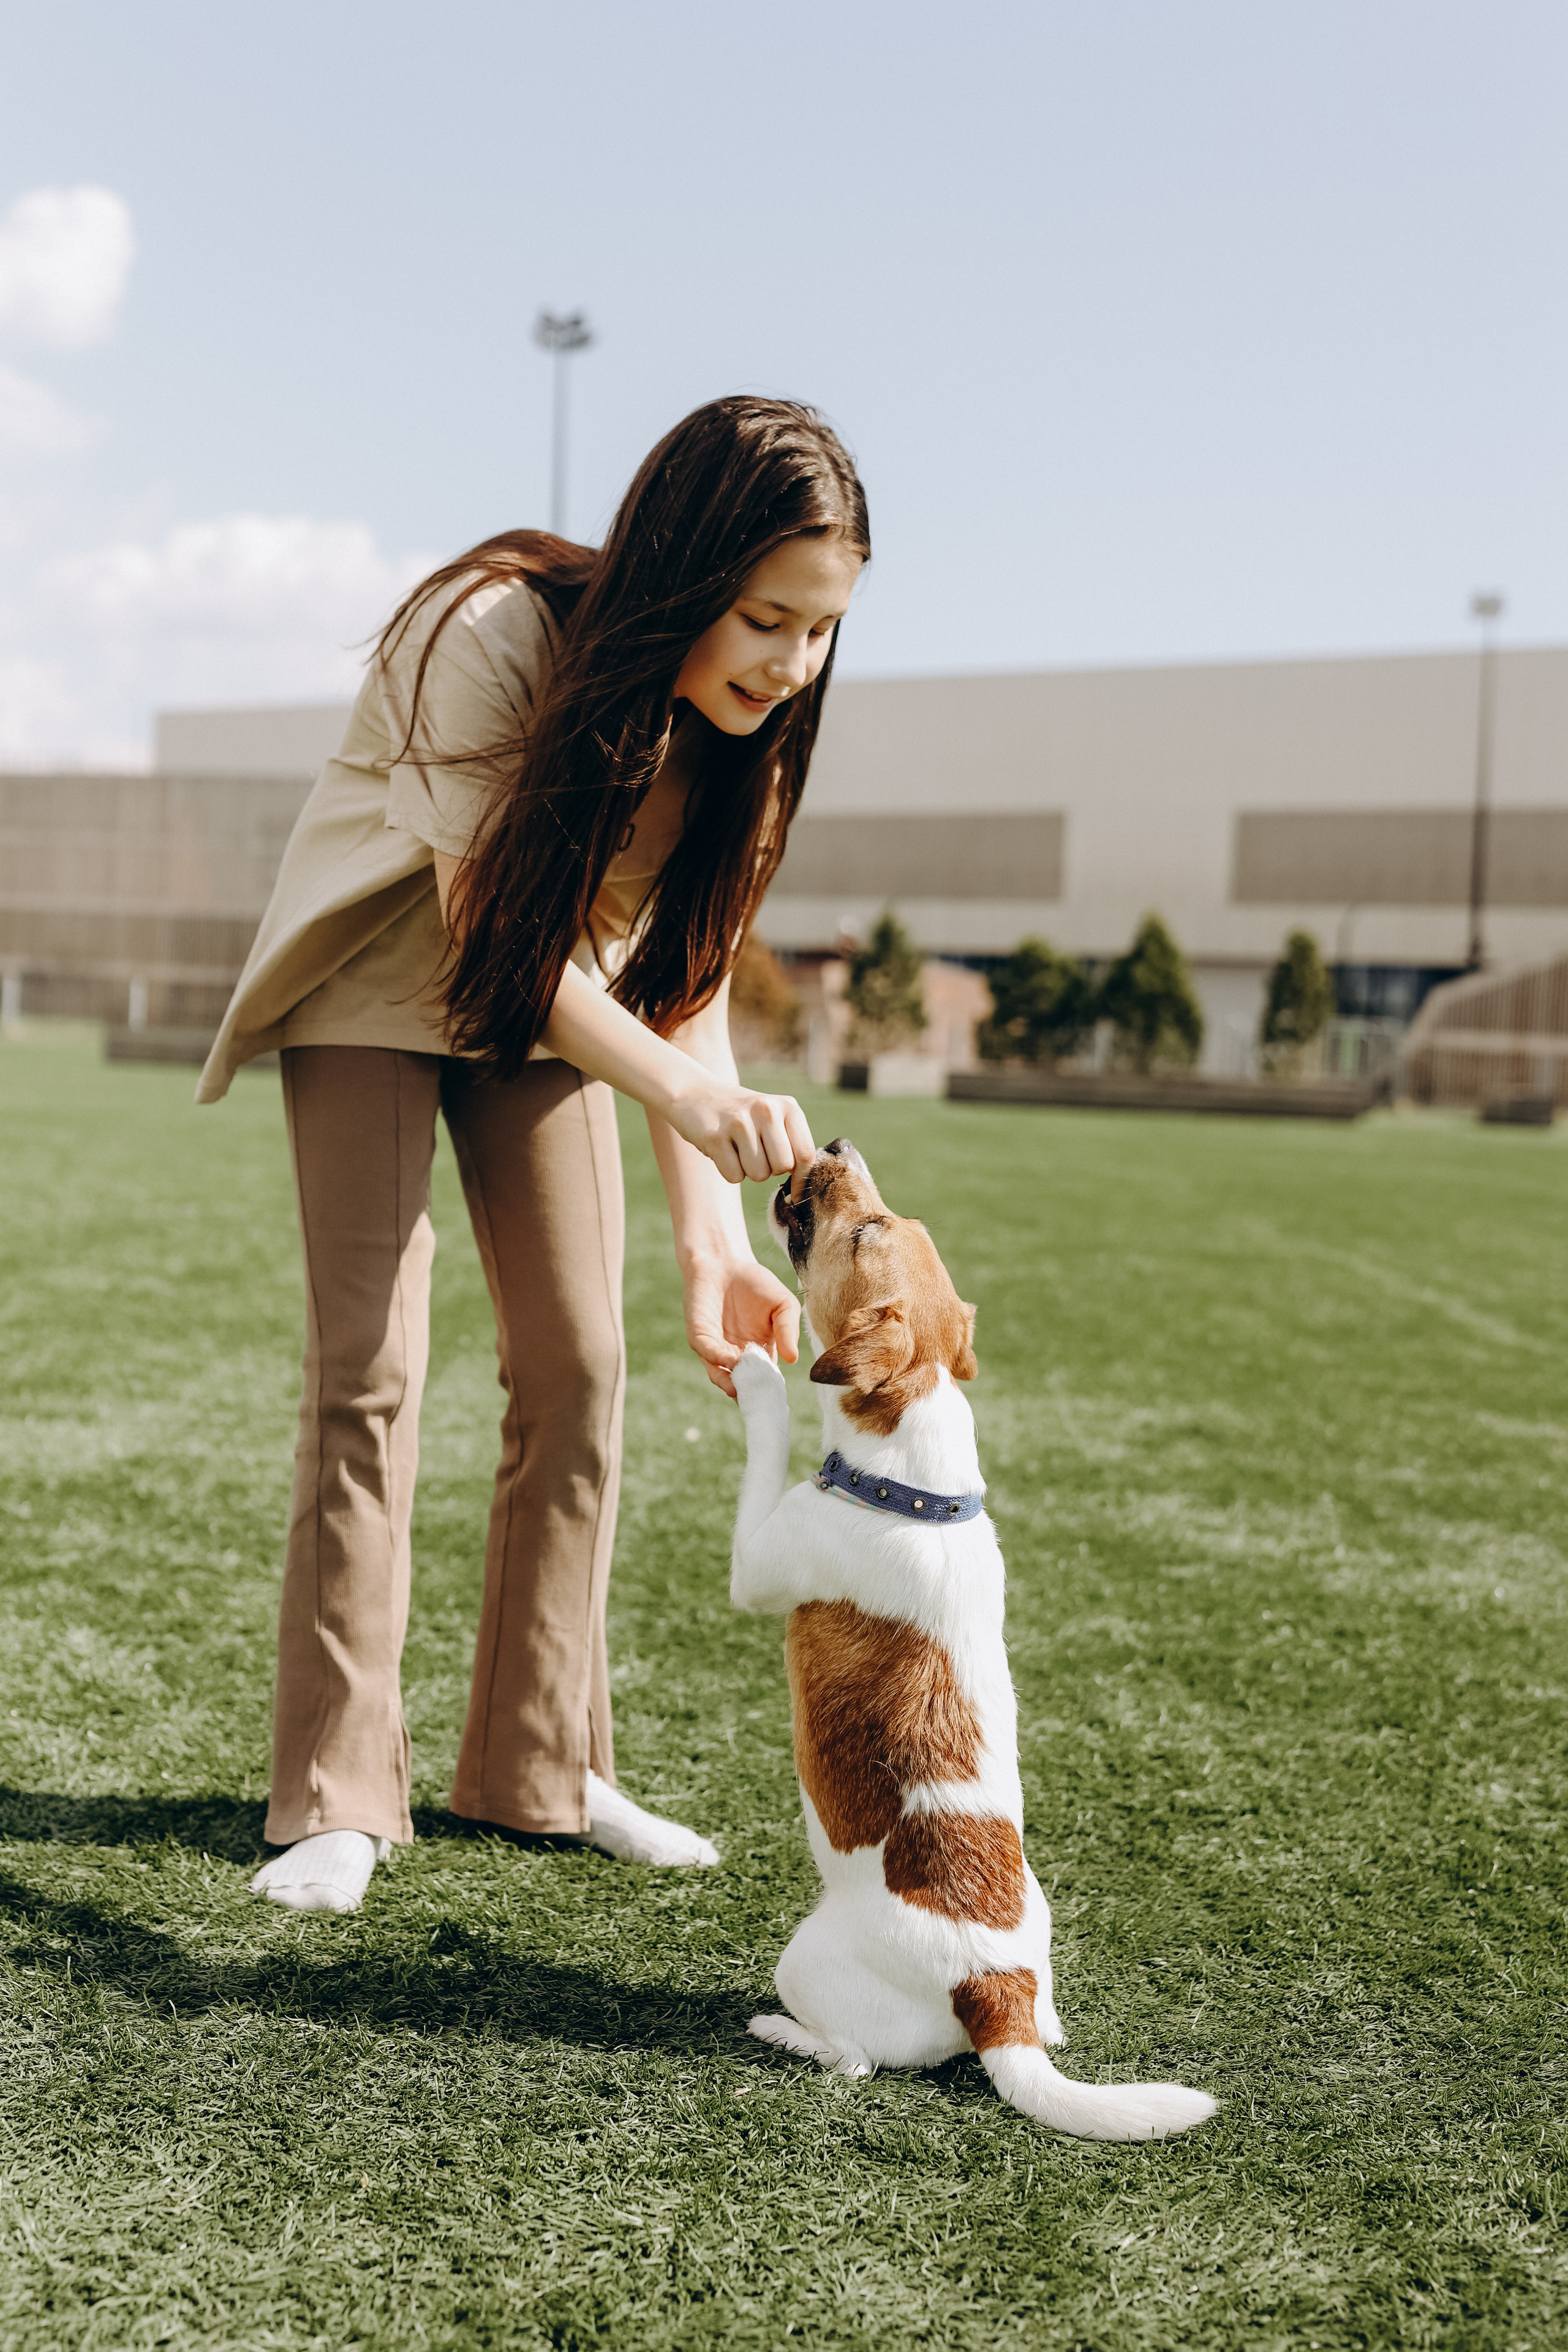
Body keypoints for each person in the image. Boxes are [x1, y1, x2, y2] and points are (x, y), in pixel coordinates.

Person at [197, 397, 869, 1912]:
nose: (788, 664)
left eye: (819, 632)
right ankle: (334, 1793)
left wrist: (710, 1246)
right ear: (683, 572)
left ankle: (538, 1769)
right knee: (369, 1367)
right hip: (384, 982)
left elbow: (678, 980)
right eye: (765, 620)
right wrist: (689, 1111)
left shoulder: (744, 742)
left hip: (551, 1016)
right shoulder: (483, 626)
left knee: (579, 1369)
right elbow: (487, 928)